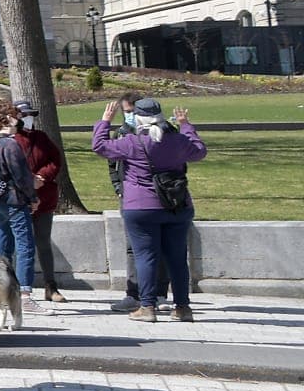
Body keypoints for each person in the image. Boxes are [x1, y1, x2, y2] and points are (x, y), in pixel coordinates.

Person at [93, 97, 207, 322]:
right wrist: (186, 125)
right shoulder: (177, 140)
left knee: (145, 256)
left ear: (138, 118)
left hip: (140, 206)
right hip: (176, 204)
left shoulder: (132, 142)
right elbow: (199, 151)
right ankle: (183, 307)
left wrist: (104, 122)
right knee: (177, 258)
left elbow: (100, 146)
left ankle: (147, 307)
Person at [14, 101, 68, 302]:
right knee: (20, 245)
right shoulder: (10, 140)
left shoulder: (41, 138)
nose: (29, 118)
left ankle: (50, 286)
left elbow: (55, 160)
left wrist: (42, 177)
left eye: (31, 115)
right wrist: (28, 181)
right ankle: (17, 287)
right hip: (19, 200)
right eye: (25, 115)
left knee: (43, 242)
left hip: (43, 198)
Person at [0, 104, 39, 299]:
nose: (21, 119)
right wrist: (32, 197)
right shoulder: (10, 144)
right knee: (25, 244)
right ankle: (24, 292)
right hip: (15, 199)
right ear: (9, 118)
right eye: (18, 116)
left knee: (3, 241)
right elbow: (21, 176)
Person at [101, 92, 145, 311]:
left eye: (131, 111)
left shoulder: (154, 133)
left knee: (157, 247)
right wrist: (118, 188)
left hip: (149, 197)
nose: (128, 116)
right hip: (128, 195)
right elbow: (112, 163)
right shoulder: (120, 135)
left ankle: (157, 293)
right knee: (132, 248)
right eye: (126, 112)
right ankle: (133, 292)